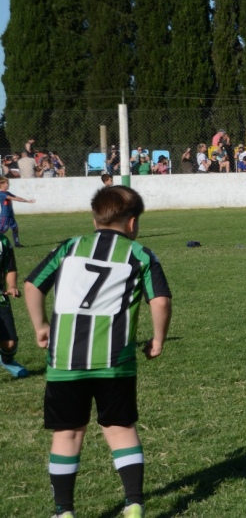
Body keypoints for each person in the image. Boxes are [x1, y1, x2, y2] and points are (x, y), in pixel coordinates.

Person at [24, 186, 172, 518]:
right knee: (120, 428)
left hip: (64, 361)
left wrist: (40, 326)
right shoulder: (141, 255)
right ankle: (133, 503)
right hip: (114, 361)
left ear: (95, 218)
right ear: (132, 223)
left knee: (68, 433)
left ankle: (64, 511)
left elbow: (33, 285)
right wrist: (158, 338)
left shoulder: (70, 247)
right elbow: (160, 301)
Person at [0, 231, 28, 378]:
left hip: (0, 298)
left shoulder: (3, 242)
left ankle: (7, 360)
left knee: (10, 344)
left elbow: (10, 268)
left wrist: (11, 286)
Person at [0, 177, 35, 247]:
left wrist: (27, 201)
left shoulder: (7, 192)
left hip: (10, 214)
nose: (8, 184)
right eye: (7, 183)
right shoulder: (1, 193)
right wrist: (21, 200)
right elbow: (12, 198)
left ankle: (17, 244)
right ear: (2, 184)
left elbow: (16, 197)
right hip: (5, 215)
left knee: (15, 228)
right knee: (3, 230)